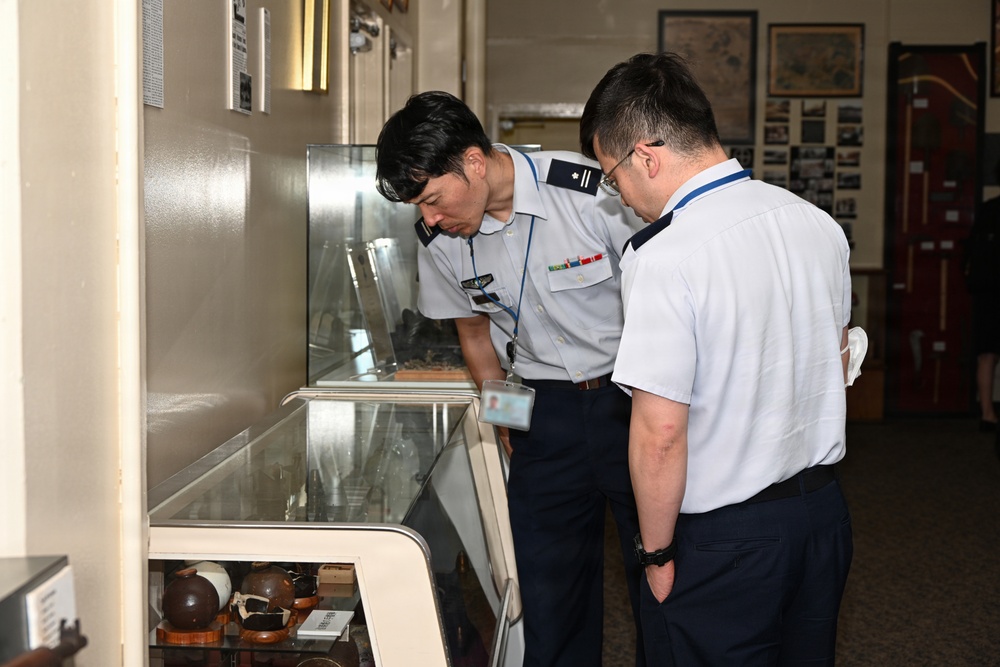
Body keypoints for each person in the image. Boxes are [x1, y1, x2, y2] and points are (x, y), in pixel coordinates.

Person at [580, 52, 854, 665]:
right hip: (821, 516)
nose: (621, 198)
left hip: (727, 538)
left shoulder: (664, 255)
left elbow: (660, 433)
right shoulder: (816, 223)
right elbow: (833, 365)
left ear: (646, 157)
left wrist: (654, 554)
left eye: (613, 178)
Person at [375, 91, 646, 667]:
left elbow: (663, 298)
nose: (429, 218)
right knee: (550, 591)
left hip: (632, 400)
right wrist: (506, 424)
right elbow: (475, 336)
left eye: (432, 199)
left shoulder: (588, 192)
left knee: (657, 570)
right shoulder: (441, 240)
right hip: (543, 413)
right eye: (420, 208)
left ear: (474, 162)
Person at [964, 161, 1000, 432]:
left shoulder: (988, 210)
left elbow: (971, 254)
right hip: (990, 291)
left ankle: (987, 414)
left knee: (986, 355)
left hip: (987, 292)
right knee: (988, 355)